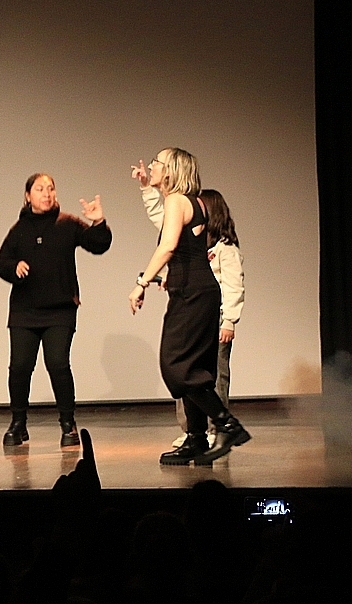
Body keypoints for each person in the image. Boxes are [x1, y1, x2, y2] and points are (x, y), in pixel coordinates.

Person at [128, 148, 250, 465]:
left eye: (156, 162)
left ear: (170, 170)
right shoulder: (190, 202)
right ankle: (196, 438)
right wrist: (148, 187)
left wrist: (141, 282)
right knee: (192, 369)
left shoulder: (178, 201)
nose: (151, 165)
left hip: (192, 295)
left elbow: (168, 246)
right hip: (194, 291)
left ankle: (227, 425)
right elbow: (173, 237)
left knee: (177, 368)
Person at [0, 174, 112, 448]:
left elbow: (98, 244)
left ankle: (68, 424)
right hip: (24, 311)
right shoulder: (19, 229)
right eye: (39, 189)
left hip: (60, 309)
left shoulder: (67, 223)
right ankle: (18, 423)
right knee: (20, 368)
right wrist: (14, 268)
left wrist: (98, 222)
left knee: (58, 364)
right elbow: (1, 263)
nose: (46, 193)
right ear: (28, 196)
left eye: (50, 189)